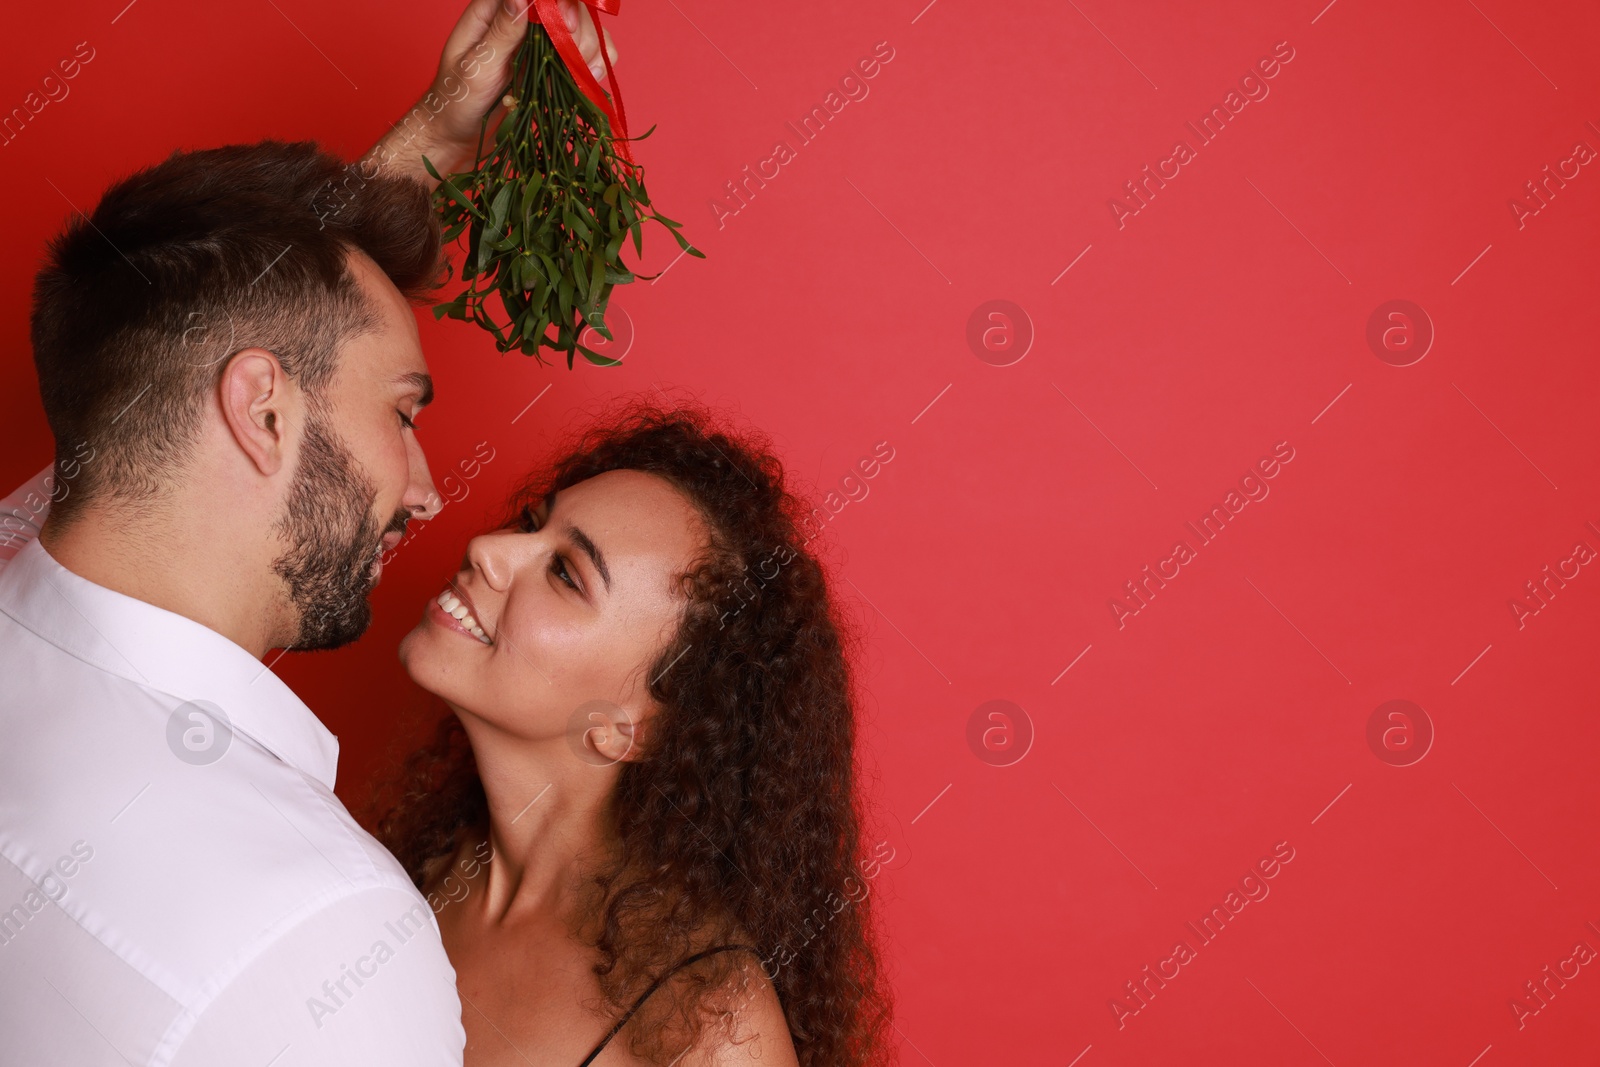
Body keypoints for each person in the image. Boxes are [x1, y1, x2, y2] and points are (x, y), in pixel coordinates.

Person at [0, 2, 613, 1064]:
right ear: (264, 413)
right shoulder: (324, 932)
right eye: (405, 412)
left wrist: (429, 136)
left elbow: (155, 403)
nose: (428, 493)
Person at [373, 400, 894, 1066]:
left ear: (629, 727)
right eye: (534, 522)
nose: (488, 548)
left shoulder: (709, 1026)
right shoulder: (407, 872)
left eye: (565, 573)